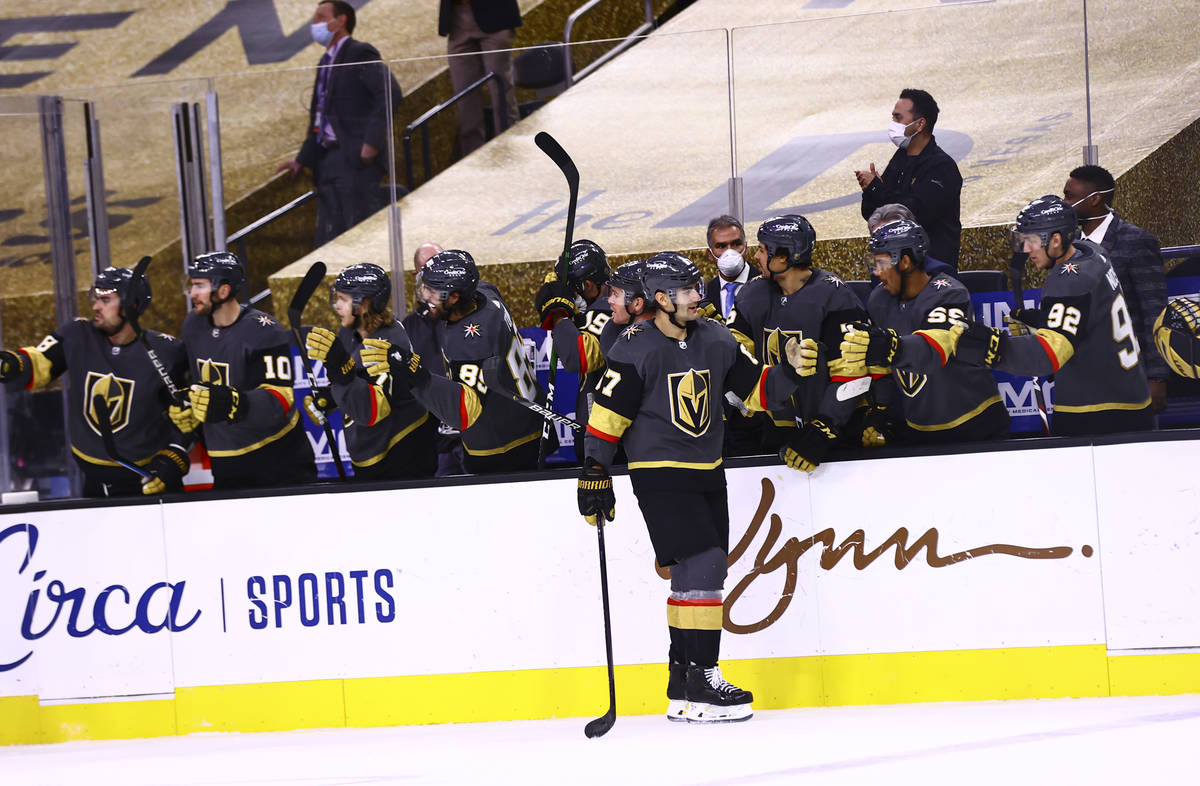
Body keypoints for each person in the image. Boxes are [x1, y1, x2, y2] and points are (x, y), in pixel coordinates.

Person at [576, 252, 813, 724]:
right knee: (705, 566)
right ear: (661, 299)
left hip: (708, 470)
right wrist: (594, 472)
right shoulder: (633, 345)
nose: (697, 296)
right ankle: (705, 677)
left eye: (696, 289)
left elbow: (757, 392)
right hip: (658, 471)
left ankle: (683, 682)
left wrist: (789, 369)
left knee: (692, 576)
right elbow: (605, 421)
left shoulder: (715, 337)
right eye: (687, 291)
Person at [953, 196, 1153, 436]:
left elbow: (1049, 355)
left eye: (1031, 241)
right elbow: (1089, 317)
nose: (1025, 250)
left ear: (1056, 240)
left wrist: (992, 346)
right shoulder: (1092, 253)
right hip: (1132, 399)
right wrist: (1042, 322)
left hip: (1096, 412)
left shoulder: (1068, 280)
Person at [0, 266, 190, 497]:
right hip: (92, 485)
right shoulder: (77, 335)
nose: (95, 307)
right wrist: (11, 364)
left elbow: (189, 419)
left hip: (149, 484)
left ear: (132, 305)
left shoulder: (167, 351)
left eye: (105, 300)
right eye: (96, 298)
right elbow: (39, 363)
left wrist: (174, 457)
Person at [842, 220, 1009, 444]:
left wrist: (890, 346)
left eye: (881, 263)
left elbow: (934, 349)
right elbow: (883, 369)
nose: (877, 273)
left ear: (905, 262)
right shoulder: (879, 300)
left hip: (975, 422)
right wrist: (880, 414)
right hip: (919, 428)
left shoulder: (950, 293)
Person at [727, 214, 870, 466]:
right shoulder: (751, 294)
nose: (755, 257)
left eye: (762, 250)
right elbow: (734, 354)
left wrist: (824, 429)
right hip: (774, 430)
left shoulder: (834, 296)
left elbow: (853, 372)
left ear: (783, 257)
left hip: (836, 433)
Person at [179, 251, 317, 489]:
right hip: (225, 460)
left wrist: (235, 403)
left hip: (277, 458)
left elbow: (280, 400)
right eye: (192, 286)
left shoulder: (263, 329)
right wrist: (187, 406)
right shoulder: (193, 326)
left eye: (199, 286)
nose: (192, 294)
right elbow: (195, 382)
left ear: (223, 290)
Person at [402, 249, 547, 474]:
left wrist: (416, 375)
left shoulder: (469, 343)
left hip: (501, 448)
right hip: (527, 417)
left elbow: (464, 412)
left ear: (454, 297)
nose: (426, 297)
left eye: (433, 291)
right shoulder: (485, 292)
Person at [276, 1, 402, 245]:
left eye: (320, 17)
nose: (315, 24)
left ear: (341, 20)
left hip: (356, 160)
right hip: (327, 162)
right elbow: (319, 117)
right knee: (330, 239)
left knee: (359, 236)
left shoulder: (359, 52)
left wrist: (372, 142)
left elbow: (389, 92)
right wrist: (302, 159)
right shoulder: (324, 62)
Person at [304, 263, 436, 480]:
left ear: (364, 305)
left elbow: (372, 410)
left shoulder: (388, 343)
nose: (336, 306)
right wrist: (330, 397)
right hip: (370, 451)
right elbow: (357, 381)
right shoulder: (350, 332)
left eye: (343, 299)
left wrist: (340, 370)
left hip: (401, 456)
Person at [1064, 165, 1168, 412]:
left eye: (1069, 196)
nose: (1064, 203)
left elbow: (1155, 313)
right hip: (1085, 378)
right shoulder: (1070, 246)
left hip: (1131, 373)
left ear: (1095, 199)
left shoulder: (1136, 240)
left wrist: (1157, 377)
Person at [856, 88, 963, 271]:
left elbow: (912, 214)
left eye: (898, 118)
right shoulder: (900, 158)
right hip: (892, 271)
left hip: (931, 274)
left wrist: (877, 189)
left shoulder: (942, 167)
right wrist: (871, 190)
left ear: (920, 124)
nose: (893, 124)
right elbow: (871, 214)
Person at [534, 239, 612, 461]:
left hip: (608, 433)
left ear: (587, 285)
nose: (570, 296)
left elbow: (577, 357)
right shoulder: (609, 300)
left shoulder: (606, 310)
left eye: (571, 289)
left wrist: (558, 312)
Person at [438, 0, 522, 156]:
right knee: (465, 98)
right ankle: (473, 161)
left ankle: (509, 155)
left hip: (495, 17)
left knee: (500, 93)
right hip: (456, 19)